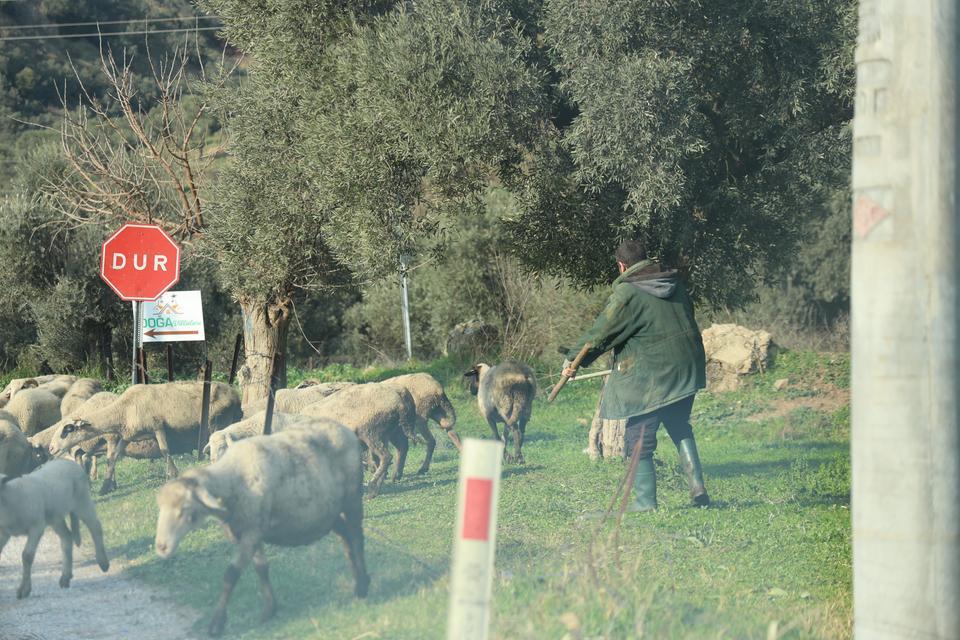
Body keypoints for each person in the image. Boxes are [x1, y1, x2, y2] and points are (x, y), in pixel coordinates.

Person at [563, 239, 709, 511]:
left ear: (621, 265)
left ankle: (644, 503)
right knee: (679, 424)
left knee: (637, 437)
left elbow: (601, 332)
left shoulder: (628, 293)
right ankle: (697, 487)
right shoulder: (674, 283)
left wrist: (573, 359)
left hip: (653, 374)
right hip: (687, 367)